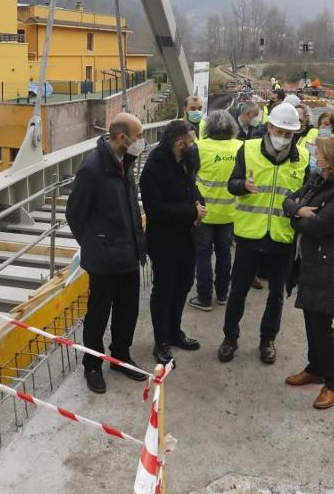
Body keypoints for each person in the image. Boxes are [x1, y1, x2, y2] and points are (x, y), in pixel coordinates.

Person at [65, 113, 150, 394]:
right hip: (104, 259)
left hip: (129, 253)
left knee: (128, 311)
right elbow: (75, 214)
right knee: (98, 314)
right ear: (121, 137)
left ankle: (120, 357)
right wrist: (95, 242)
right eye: (138, 137)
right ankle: (92, 364)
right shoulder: (93, 168)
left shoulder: (126, 162)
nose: (141, 142)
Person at [218, 102, 308, 365]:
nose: (283, 137)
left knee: (277, 295)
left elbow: (305, 194)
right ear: (269, 127)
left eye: (288, 133)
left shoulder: (302, 158)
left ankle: (267, 340)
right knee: (238, 291)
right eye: (279, 131)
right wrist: (242, 185)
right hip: (249, 235)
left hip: (281, 238)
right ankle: (230, 338)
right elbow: (232, 185)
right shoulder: (247, 149)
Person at [282, 135, 334, 410]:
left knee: (322, 326)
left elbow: (318, 227)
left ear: (331, 160)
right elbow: (288, 201)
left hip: (329, 266)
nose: (315, 154)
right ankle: (315, 368)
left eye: (319, 152)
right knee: (311, 320)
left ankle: (333, 385)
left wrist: (296, 219)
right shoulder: (318, 181)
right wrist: (299, 210)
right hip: (310, 262)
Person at [140, 120, 206, 365]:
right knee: (164, 290)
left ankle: (174, 332)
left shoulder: (186, 161)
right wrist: (191, 213)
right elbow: (155, 210)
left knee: (183, 285)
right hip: (164, 241)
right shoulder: (154, 168)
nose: (194, 145)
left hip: (186, 238)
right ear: (179, 143)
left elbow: (192, 188)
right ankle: (161, 341)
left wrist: (199, 205)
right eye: (191, 141)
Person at [189, 111, 242, 312]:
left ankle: (204, 298)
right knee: (224, 253)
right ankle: (222, 294)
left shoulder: (198, 148)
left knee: (202, 255)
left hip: (204, 212)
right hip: (230, 213)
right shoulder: (240, 147)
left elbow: (190, 179)